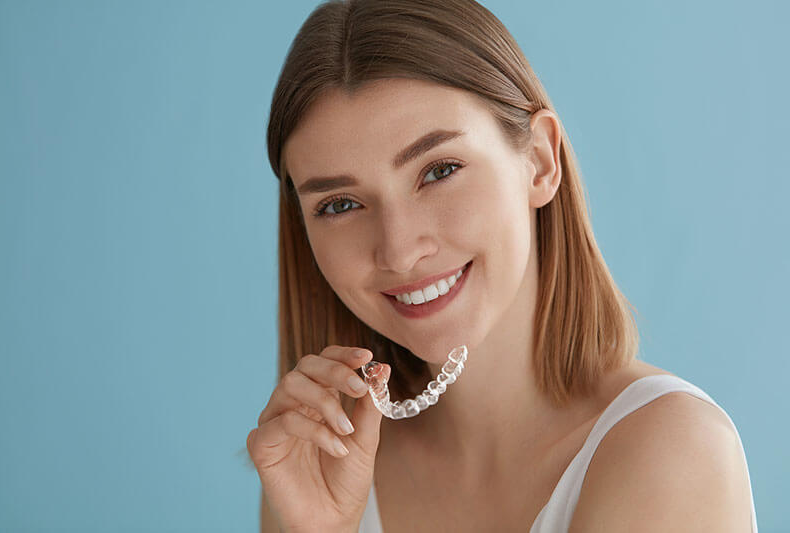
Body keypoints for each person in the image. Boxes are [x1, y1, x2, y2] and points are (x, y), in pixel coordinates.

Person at [245, 0, 758, 531]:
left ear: (540, 161)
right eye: (340, 205)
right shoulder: (322, 469)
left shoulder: (671, 451)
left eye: (439, 170)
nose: (398, 251)